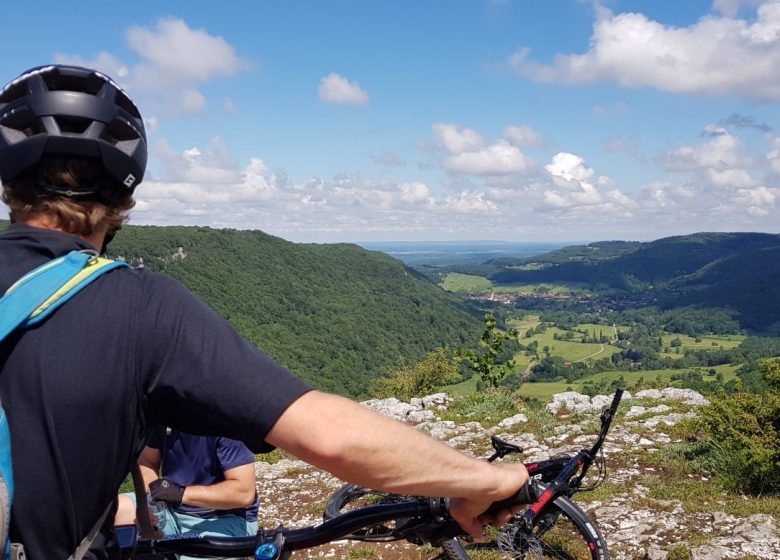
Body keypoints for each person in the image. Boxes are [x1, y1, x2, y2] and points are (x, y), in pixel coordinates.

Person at [0, 64, 528, 559]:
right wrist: (488, 480)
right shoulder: (137, 307)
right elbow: (328, 433)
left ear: (9, 183)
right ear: (124, 192)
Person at [115, 427, 259, 558]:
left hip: (224, 519)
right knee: (115, 512)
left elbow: (243, 493)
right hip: (171, 510)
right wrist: (149, 500)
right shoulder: (164, 417)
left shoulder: (225, 423)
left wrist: (179, 493)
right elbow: (146, 460)